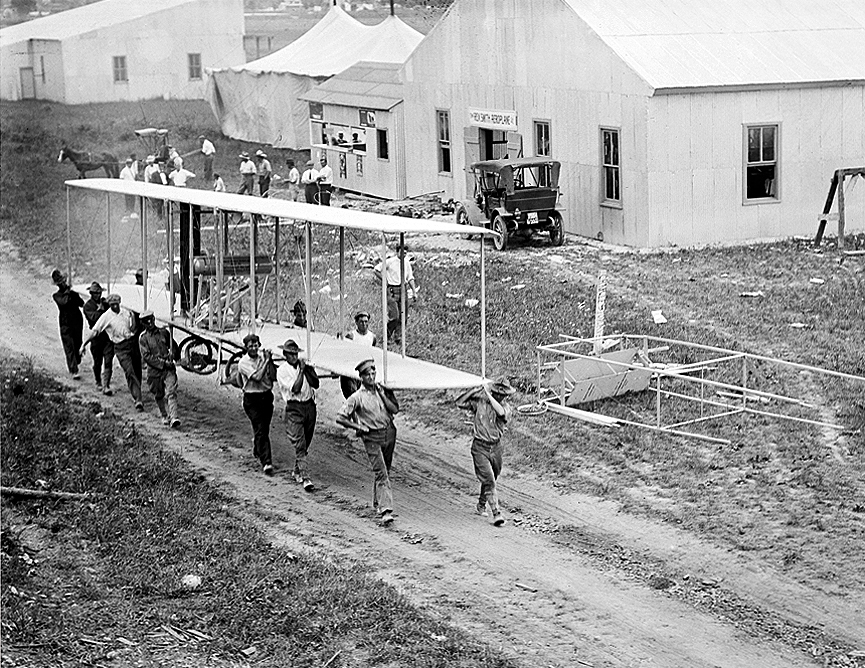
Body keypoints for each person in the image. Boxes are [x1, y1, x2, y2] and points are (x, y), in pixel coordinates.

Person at [336, 359, 399, 526]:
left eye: (373, 373)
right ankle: (386, 510)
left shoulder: (383, 390)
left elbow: (395, 409)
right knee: (381, 473)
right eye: (367, 375)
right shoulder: (357, 397)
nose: (371, 377)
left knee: (385, 468)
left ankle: (378, 502)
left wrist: (383, 394)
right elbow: (340, 417)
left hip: (389, 433)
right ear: (361, 378)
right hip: (371, 437)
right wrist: (357, 426)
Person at [455, 378, 515, 527]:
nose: (500, 396)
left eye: (502, 395)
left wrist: (487, 394)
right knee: (489, 480)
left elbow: (500, 412)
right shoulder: (479, 403)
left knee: (492, 477)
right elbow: (459, 402)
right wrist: (475, 390)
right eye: (496, 393)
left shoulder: (506, 407)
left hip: (496, 448)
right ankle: (497, 513)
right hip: (480, 447)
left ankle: (481, 504)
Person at [80, 293, 144, 410]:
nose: (115, 306)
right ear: (109, 305)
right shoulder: (106, 316)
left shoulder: (126, 311)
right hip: (120, 347)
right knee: (129, 371)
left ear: (120, 303)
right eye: (112, 304)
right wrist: (84, 344)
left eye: (116, 304)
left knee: (136, 369)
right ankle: (138, 399)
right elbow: (95, 331)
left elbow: (134, 324)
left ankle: (137, 391)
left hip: (132, 344)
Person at [276, 339, 319, 491]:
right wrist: (301, 371)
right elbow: (295, 388)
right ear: (285, 354)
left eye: (295, 354)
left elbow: (316, 384)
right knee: (300, 444)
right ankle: (306, 478)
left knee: (306, 442)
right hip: (294, 408)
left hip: (309, 406)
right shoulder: (282, 371)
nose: (294, 357)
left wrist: (308, 369)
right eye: (290, 354)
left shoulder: (304, 367)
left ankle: (297, 470)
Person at [236, 334, 276, 475]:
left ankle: (257, 447)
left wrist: (269, 362)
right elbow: (257, 377)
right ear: (245, 348)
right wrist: (266, 361)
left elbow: (272, 375)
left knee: (262, 429)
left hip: (266, 397)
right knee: (261, 428)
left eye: (256, 345)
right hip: (252, 399)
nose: (253, 348)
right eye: (250, 346)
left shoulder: (262, 359)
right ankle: (267, 462)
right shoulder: (243, 363)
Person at [138, 311, 180, 428]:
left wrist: (175, 356)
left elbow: (174, 346)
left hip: (168, 369)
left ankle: (174, 417)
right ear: (143, 323)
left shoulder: (164, 333)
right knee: (158, 394)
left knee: (171, 392)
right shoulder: (143, 339)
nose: (150, 323)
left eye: (151, 319)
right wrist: (163, 363)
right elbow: (147, 357)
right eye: (147, 321)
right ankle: (164, 415)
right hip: (154, 371)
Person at [375, 247, 418, 344]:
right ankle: (387, 336)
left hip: (403, 290)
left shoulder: (406, 263)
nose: (404, 254)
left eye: (406, 253)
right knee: (394, 316)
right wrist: (384, 280)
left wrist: (414, 291)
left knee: (403, 316)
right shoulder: (390, 262)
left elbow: (410, 277)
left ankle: (398, 338)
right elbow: (376, 270)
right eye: (402, 252)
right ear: (397, 252)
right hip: (392, 290)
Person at [51, 269, 84, 380]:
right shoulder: (56, 295)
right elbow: (64, 302)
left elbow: (81, 303)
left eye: (64, 281)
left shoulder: (72, 293)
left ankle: (76, 360)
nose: (63, 284)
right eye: (60, 283)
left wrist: (74, 293)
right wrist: (68, 292)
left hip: (76, 321)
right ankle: (74, 370)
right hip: (65, 323)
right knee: (69, 345)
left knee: (77, 343)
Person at [82, 281, 114, 395]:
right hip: (96, 337)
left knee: (109, 360)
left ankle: (106, 385)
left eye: (99, 293)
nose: (98, 295)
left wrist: (110, 303)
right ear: (91, 293)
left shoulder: (104, 303)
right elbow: (93, 319)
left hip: (107, 336)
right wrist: (100, 310)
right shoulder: (87, 306)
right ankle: (98, 381)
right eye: (95, 293)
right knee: (97, 362)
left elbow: (113, 313)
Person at [340, 311, 377, 398]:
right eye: (361, 322)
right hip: (352, 371)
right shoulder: (351, 336)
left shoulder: (372, 337)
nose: (364, 324)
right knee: (352, 396)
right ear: (356, 323)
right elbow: (344, 352)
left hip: (364, 371)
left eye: (366, 321)